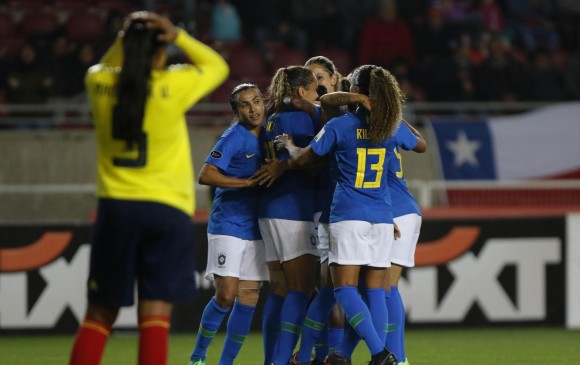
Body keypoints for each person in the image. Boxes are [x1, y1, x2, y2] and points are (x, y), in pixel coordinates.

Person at [68, 11, 229, 365]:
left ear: (125, 49)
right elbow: (217, 66)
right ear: (161, 52)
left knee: (99, 314)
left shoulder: (97, 82)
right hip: (166, 210)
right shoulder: (172, 86)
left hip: (117, 209)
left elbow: (107, 65)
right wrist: (178, 36)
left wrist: (128, 37)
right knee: (155, 316)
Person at [276, 64, 404, 365]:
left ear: (356, 92)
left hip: (348, 215)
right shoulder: (390, 127)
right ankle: (359, 354)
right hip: (382, 217)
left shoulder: (340, 126)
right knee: (375, 291)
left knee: (342, 288)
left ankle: (379, 354)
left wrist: (290, 146)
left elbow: (303, 159)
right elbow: (419, 146)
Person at [188, 83, 270, 365]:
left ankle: (226, 363)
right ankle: (198, 357)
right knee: (225, 296)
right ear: (236, 111)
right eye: (245, 105)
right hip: (229, 223)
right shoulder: (233, 137)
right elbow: (206, 174)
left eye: (256, 101)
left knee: (248, 297)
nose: (253, 108)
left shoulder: (270, 133)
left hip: (256, 227)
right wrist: (244, 183)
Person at [257, 65, 321, 365]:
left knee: (280, 289)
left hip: (270, 208)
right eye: (314, 89)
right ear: (301, 92)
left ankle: (271, 359)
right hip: (293, 209)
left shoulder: (272, 119)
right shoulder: (299, 117)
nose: (317, 94)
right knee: (302, 288)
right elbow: (308, 157)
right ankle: (282, 361)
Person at [290, 56, 346, 365]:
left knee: (331, 288)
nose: (319, 82)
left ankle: (324, 354)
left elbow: (307, 159)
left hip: (336, 208)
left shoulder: (337, 118)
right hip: (318, 206)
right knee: (324, 288)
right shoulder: (321, 117)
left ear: (336, 80)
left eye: (323, 76)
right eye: (312, 78)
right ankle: (325, 354)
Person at [384, 119, 426, 365]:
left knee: (386, 288)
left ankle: (397, 359)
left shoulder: (370, 126)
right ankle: (395, 357)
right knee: (380, 290)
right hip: (399, 209)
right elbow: (421, 143)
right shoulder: (392, 124)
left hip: (394, 211)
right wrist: (399, 117)